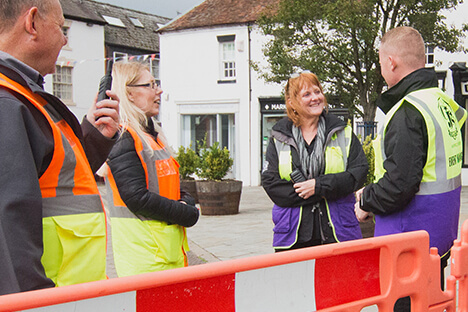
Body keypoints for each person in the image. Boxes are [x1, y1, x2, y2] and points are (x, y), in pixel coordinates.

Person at [0, 0, 120, 295]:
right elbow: (7, 224)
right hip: (50, 299)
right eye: (61, 27)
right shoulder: (8, 103)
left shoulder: (25, 97)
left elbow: (59, 180)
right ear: (32, 23)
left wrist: (94, 136)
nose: (65, 39)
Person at [354, 26, 467, 311]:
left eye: (380, 63)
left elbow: (399, 185)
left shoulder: (407, 111)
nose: (381, 70)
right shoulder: (443, 102)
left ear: (391, 62)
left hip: (407, 241)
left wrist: (366, 199)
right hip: (438, 235)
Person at [102, 61, 199, 277]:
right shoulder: (124, 136)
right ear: (128, 94)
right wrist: (185, 212)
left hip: (167, 254)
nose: (159, 91)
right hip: (145, 258)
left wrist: (187, 201)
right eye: (151, 85)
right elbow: (137, 197)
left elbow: (170, 187)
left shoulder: (151, 135)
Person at [261, 71, 368, 251]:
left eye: (317, 92)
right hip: (292, 236)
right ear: (291, 102)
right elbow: (271, 185)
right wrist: (322, 193)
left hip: (339, 233)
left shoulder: (343, 131)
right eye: (307, 94)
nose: (316, 98)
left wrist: (318, 186)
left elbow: (358, 174)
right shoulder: (278, 136)